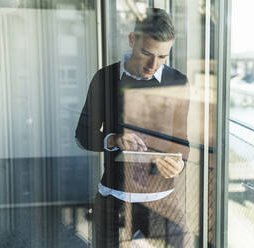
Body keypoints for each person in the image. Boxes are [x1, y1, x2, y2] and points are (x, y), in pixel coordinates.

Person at [75, 8, 192, 248]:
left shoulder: (178, 81)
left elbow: (181, 141)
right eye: (147, 53)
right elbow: (82, 136)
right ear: (132, 39)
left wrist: (179, 164)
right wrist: (114, 140)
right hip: (114, 200)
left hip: (163, 201)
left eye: (162, 57)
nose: (153, 64)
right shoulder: (104, 78)